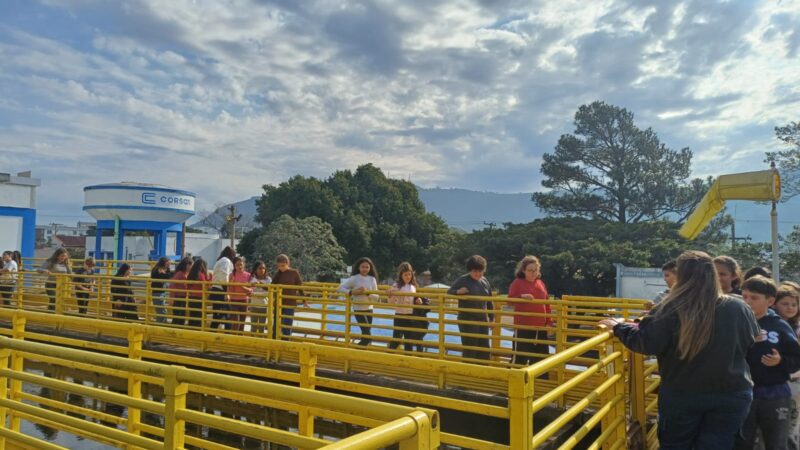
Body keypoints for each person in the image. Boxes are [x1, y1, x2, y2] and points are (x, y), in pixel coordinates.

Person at [600, 250, 759, 449]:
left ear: (681, 275)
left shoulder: (669, 307)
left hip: (682, 393)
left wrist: (619, 327)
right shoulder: (739, 307)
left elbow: (646, 343)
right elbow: (749, 342)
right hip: (732, 393)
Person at [737, 276, 800, 450]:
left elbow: (796, 358)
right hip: (742, 393)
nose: (748, 301)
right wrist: (747, 341)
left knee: (776, 443)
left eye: (754, 298)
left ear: (770, 301)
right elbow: (722, 354)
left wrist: (780, 361)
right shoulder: (736, 322)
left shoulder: (779, 326)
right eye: (745, 296)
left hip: (775, 394)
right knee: (742, 442)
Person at [448, 255, 494, 361]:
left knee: (484, 348)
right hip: (467, 319)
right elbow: (449, 291)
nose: (478, 274)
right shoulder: (463, 280)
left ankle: (482, 373)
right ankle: (467, 374)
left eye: (480, 271)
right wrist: (458, 292)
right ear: (470, 270)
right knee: (470, 348)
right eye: (475, 271)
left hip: (482, 319)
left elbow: (490, 300)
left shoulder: (485, 281)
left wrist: (492, 317)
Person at [508, 255, 551, 366]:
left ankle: (540, 382)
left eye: (536, 270)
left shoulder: (541, 283)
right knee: (519, 358)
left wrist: (549, 321)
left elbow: (547, 303)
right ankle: (513, 380)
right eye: (530, 270)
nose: (533, 273)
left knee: (541, 358)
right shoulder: (518, 282)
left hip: (540, 328)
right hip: (523, 327)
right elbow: (509, 301)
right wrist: (521, 297)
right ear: (523, 270)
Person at [773, 285, 800, 450]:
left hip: (797, 382)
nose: (790, 308)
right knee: (780, 425)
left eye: (794, 304)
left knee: (793, 424)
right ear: (774, 303)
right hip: (782, 382)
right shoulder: (773, 326)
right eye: (785, 303)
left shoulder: (796, 326)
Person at [338, 257, 379, 346]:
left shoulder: (372, 279)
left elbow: (376, 297)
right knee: (367, 336)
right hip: (358, 309)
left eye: (367, 267)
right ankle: (355, 353)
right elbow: (340, 288)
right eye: (363, 267)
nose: (365, 269)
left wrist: (367, 293)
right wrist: (351, 292)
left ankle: (363, 355)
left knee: (365, 336)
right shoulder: (354, 278)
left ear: (370, 268)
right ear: (358, 268)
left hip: (369, 309)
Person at [387, 262, 422, 351]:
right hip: (399, 315)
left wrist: (418, 300)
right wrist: (390, 295)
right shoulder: (397, 286)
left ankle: (408, 361)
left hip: (410, 316)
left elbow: (415, 298)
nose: (408, 277)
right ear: (401, 275)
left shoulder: (413, 287)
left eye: (409, 274)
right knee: (396, 340)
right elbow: (390, 302)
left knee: (409, 341)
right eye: (405, 275)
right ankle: (388, 356)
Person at [271, 254, 303, 340]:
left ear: (287, 263)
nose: (281, 268)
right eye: (279, 266)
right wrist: (261, 284)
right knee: (276, 324)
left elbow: (300, 287)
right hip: (279, 302)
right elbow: (271, 286)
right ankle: (274, 342)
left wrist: (304, 300)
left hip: (290, 303)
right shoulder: (278, 274)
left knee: (287, 324)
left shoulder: (294, 273)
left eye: (283, 265)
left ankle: (286, 342)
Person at [210, 247, 235, 330]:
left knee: (217, 316)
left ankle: (211, 335)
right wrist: (226, 292)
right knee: (227, 316)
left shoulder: (220, 261)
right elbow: (224, 277)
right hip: (220, 290)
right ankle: (227, 337)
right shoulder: (226, 261)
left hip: (216, 289)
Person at [227, 257, 252, 332]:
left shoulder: (248, 275)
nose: (239, 266)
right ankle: (233, 339)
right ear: (234, 266)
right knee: (236, 323)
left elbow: (250, 290)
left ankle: (240, 339)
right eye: (237, 265)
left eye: (241, 264)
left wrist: (241, 285)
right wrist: (232, 283)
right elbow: (230, 290)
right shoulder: (231, 275)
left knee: (242, 323)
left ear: (244, 264)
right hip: (233, 300)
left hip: (244, 301)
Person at [248, 261, 271, 334]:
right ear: (255, 270)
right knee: (253, 327)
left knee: (261, 327)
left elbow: (267, 293)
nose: (262, 270)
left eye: (263, 268)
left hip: (263, 306)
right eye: (260, 268)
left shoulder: (268, 280)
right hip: (254, 305)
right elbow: (249, 292)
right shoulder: (252, 280)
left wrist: (255, 293)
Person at [170, 257, 193, 327]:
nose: (191, 267)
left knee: (182, 315)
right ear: (187, 265)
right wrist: (172, 298)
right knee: (178, 315)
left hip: (183, 297)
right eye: (191, 265)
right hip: (178, 297)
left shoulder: (186, 273)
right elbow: (172, 285)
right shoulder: (180, 273)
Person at [185, 258, 208, 328]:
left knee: (192, 316)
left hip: (191, 297)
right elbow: (205, 286)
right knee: (199, 317)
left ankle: (191, 330)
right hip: (199, 298)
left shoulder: (191, 274)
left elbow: (188, 286)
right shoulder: (201, 275)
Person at [149, 257, 172, 324]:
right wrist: (166, 271)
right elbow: (166, 276)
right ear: (164, 263)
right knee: (161, 311)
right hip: (158, 292)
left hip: (162, 292)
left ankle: (162, 323)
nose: (169, 264)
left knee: (162, 309)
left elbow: (168, 275)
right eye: (168, 263)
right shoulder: (157, 270)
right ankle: (160, 325)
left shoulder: (163, 269)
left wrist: (167, 270)